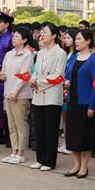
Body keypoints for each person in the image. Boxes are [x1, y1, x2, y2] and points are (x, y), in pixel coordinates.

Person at [30, 23, 68, 171]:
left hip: (52, 95)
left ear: (54, 35)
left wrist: (38, 82)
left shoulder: (60, 53)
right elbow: (36, 71)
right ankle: (40, 159)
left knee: (50, 130)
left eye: (45, 32)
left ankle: (49, 161)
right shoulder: (40, 53)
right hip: (38, 95)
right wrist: (33, 78)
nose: (42, 34)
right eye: (41, 32)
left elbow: (58, 76)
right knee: (40, 129)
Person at [63, 29, 95, 178]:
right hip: (72, 101)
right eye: (76, 39)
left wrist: (92, 106)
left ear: (88, 41)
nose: (76, 41)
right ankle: (76, 165)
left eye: (79, 39)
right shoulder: (73, 58)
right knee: (73, 135)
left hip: (85, 103)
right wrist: (66, 82)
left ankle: (84, 167)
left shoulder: (93, 61)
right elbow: (67, 75)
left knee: (85, 135)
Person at [0, 26, 34, 164]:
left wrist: (14, 92)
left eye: (17, 36)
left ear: (24, 40)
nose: (13, 39)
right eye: (13, 36)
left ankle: (21, 153)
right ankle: (14, 151)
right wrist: (1, 75)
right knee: (11, 125)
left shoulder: (28, 55)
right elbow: (4, 71)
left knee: (21, 124)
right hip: (8, 93)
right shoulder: (9, 54)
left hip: (20, 95)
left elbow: (24, 76)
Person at [0, 12, 14, 145]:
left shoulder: (10, 38)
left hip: (5, 74)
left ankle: (8, 134)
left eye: (0, 22)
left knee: (4, 105)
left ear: (7, 24)